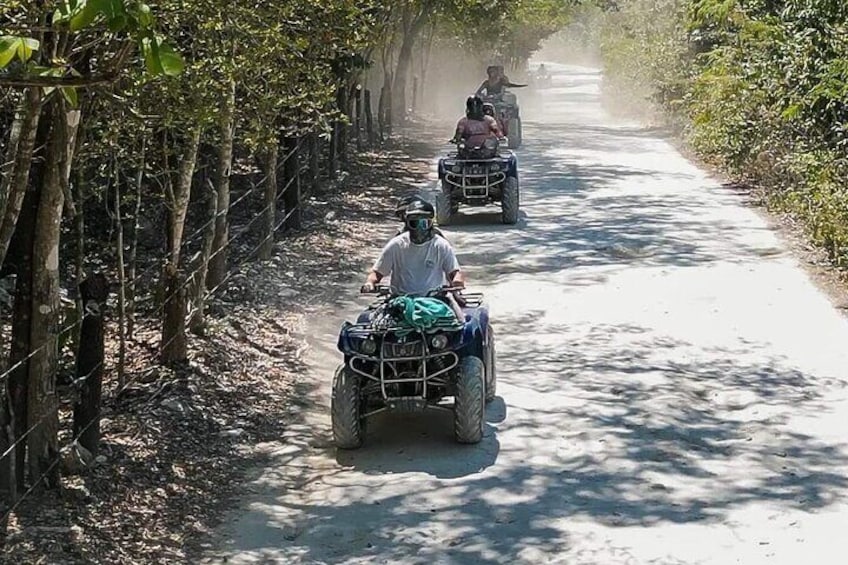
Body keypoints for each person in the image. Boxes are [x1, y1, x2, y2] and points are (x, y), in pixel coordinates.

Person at [362, 199, 465, 296]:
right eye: (414, 223)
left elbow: (454, 272)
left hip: (434, 302)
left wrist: (457, 282)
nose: (419, 228)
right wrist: (370, 283)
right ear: (407, 224)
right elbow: (377, 272)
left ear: (431, 224)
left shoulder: (441, 245)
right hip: (400, 301)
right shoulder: (396, 245)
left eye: (424, 223)